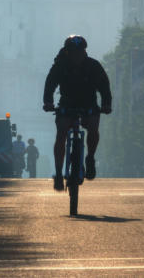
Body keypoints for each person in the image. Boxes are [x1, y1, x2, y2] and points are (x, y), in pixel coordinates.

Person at [43, 35, 111, 191]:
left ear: (84, 52)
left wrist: (106, 104)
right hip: (67, 104)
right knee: (61, 134)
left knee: (93, 128)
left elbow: (104, 87)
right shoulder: (60, 66)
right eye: (73, 52)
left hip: (89, 104)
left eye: (79, 52)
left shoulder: (93, 66)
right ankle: (59, 173)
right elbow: (50, 84)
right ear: (67, 52)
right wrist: (48, 102)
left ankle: (90, 157)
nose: (76, 56)